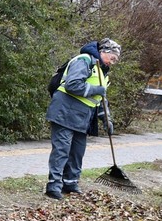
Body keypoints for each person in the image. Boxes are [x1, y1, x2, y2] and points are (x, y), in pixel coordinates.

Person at [44, 38, 121, 200]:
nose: (112, 63)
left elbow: (101, 99)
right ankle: (53, 186)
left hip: (82, 117)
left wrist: (107, 120)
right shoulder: (84, 61)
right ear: (104, 52)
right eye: (112, 58)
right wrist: (96, 89)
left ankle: (70, 183)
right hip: (64, 112)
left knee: (77, 152)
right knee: (62, 150)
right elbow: (73, 85)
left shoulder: (102, 72)